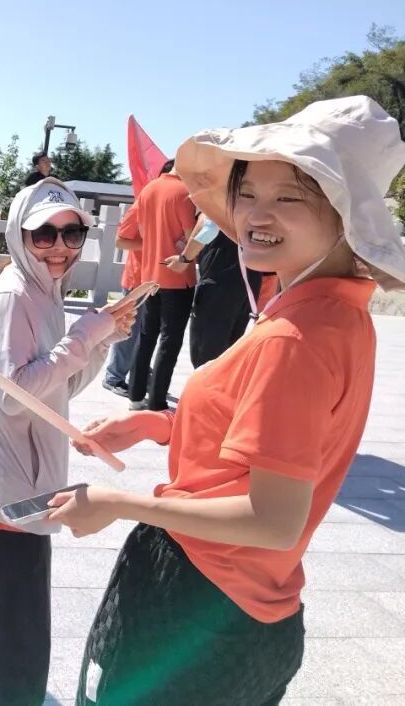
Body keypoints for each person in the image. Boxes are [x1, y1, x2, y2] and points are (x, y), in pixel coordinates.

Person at [47, 96, 405, 705]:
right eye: (248, 192)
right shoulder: (332, 310)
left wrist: (117, 503)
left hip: (198, 601)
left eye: (289, 196)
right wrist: (160, 424)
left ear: (345, 214)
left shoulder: (296, 336)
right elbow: (275, 430)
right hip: (255, 608)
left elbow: (273, 519)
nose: (256, 214)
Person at [0, 177, 137, 706]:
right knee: (17, 657)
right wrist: (84, 335)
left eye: (72, 234)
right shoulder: (14, 297)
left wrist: (101, 340)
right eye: (43, 235)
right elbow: (14, 395)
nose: (59, 247)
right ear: (20, 237)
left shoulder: (42, 291)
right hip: (10, 505)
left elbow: (55, 389)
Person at [125, 159, 197, 410]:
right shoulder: (183, 193)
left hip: (150, 275)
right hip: (177, 276)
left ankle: (135, 396)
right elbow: (192, 237)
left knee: (146, 336)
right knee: (169, 341)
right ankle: (156, 401)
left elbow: (141, 231)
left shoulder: (149, 189)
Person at [164, 212, 263, 367]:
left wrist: (184, 259)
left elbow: (208, 227)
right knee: (232, 354)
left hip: (220, 278)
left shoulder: (222, 200)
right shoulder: (255, 204)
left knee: (205, 356)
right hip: (250, 279)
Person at [102, 205, 144, 395]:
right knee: (129, 329)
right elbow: (120, 241)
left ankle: (140, 373)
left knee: (148, 332)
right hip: (137, 279)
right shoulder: (139, 207)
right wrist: (155, 244)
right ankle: (114, 376)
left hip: (161, 280)